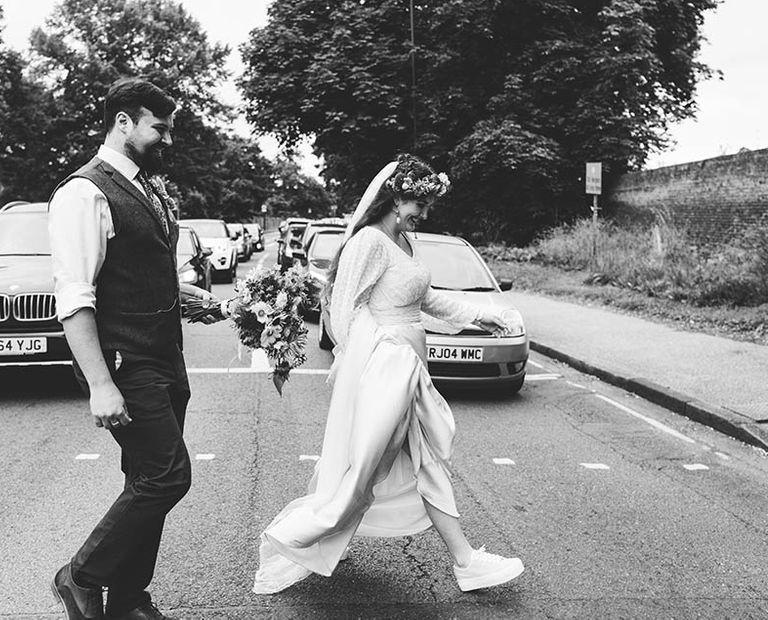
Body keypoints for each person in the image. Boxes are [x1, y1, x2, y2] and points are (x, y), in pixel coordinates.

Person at [253, 154, 525, 594]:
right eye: (420, 203)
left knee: (419, 462)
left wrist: (482, 316)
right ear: (396, 197)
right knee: (368, 471)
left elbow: (427, 300)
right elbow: (343, 313)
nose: (424, 213)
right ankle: (296, 537)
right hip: (387, 369)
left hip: (409, 366)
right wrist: (386, 357)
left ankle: (465, 560)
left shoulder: (403, 243)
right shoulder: (369, 243)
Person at [48, 78, 224, 620]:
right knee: (168, 475)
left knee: (143, 476)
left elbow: (145, 273)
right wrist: (101, 383)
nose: (167, 140)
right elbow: (76, 296)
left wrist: (198, 299)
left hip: (164, 357)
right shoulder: (85, 192)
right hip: (124, 361)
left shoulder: (145, 187)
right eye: (159, 128)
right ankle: (79, 576)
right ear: (123, 122)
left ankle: (127, 597)